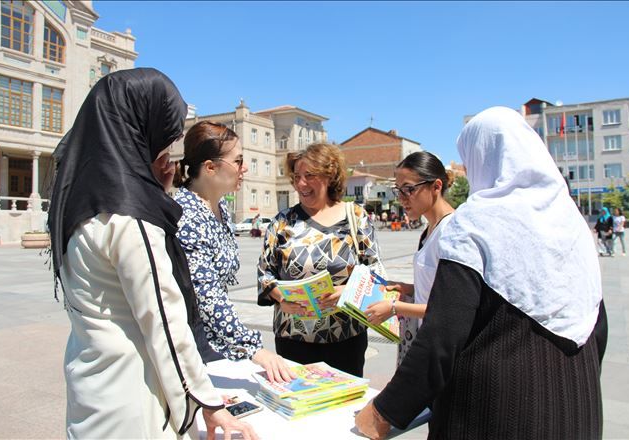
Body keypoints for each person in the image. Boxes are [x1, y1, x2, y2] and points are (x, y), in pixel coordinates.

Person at [355, 106, 606, 439]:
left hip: (495, 414)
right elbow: (596, 325)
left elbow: (442, 334)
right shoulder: (571, 223)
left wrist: (385, 411)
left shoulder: (475, 223)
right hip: (577, 407)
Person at [48, 68, 257, 439]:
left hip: (91, 387)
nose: (168, 156)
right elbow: (165, 321)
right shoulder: (130, 220)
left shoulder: (78, 204)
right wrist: (207, 404)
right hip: (132, 402)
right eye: (165, 139)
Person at [173, 120, 293, 382]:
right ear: (210, 167)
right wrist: (255, 349)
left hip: (214, 343)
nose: (245, 168)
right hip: (188, 345)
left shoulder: (220, 209)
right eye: (238, 161)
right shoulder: (187, 215)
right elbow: (207, 297)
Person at [257, 143, 383, 377]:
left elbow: (375, 270)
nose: (301, 184)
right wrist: (280, 298)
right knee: (298, 404)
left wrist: (347, 290)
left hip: (346, 337)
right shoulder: (282, 221)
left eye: (309, 176)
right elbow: (265, 274)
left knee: (345, 407)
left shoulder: (355, 216)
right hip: (293, 338)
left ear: (330, 175)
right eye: (296, 177)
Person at [364, 151, 455, 365]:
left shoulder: (451, 232)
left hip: (444, 349)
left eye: (409, 189)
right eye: (398, 190)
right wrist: (408, 288)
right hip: (428, 340)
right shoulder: (430, 229)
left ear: (436, 186)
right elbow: (437, 286)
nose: (402, 198)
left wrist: (395, 308)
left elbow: (450, 305)